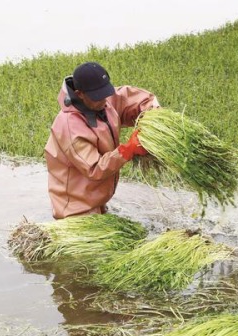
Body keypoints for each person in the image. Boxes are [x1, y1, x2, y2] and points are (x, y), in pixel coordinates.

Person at [45, 62, 160, 219]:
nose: (104, 101)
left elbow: (139, 100)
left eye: (105, 94)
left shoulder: (101, 101)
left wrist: (155, 119)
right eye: (97, 97)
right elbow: (95, 168)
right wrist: (128, 150)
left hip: (96, 197)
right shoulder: (70, 127)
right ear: (80, 94)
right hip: (75, 208)